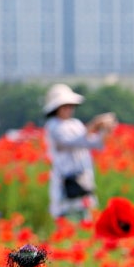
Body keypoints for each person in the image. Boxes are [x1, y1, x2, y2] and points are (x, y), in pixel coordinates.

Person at [43, 83, 115, 223]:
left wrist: (105, 130)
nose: (69, 109)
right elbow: (72, 142)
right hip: (66, 184)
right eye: (65, 106)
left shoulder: (75, 124)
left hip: (83, 180)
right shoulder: (53, 126)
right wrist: (94, 125)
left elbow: (94, 143)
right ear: (56, 109)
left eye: (71, 106)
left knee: (86, 219)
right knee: (67, 221)